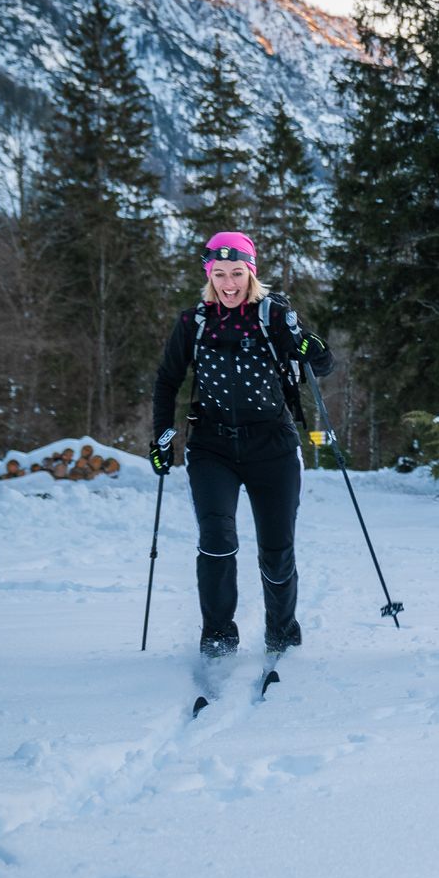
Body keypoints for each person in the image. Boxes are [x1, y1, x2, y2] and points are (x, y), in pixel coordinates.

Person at [149, 231, 334, 659]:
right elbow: (167, 381)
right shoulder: (192, 322)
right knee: (216, 541)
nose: (228, 283)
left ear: (251, 274)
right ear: (208, 275)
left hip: (273, 446)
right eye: (219, 274)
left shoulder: (273, 316)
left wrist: (312, 346)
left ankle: (282, 634)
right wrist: (163, 436)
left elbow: (321, 364)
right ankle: (217, 636)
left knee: (276, 550)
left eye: (236, 273)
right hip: (212, 447)